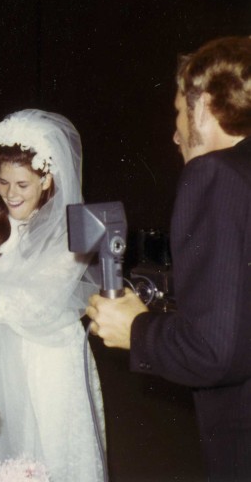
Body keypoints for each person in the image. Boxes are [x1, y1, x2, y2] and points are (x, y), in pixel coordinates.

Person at [86, 36, 251, 481]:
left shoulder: (213, 174)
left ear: (202, 107)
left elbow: (215, 351)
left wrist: (136, 330)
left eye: (179, 112)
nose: (175, 131)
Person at [0, 110, 105, 481]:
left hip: (48, 359)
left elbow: (39, 301)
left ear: (47, 178)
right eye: (3, 183)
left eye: (22, 184)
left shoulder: (68, 232)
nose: (10, 193)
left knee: (48, 449)